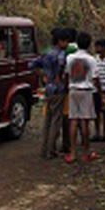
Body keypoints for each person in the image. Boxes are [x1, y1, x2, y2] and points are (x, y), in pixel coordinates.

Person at [29, 27, 70, 160]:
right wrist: (58, 78)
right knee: (56, 121)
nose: (67, 44)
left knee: (47, 119)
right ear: (60, 41)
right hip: (58, 89)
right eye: (66, 41)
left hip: (48, 89)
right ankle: (51, 150)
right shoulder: (61, 55)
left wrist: (43, 75)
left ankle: (44, 149)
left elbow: (32, 65)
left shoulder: (46, 53)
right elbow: (61, 70)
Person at [65, 31, 103, 163]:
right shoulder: (91, 60)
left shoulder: (69, 58)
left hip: (73, 89)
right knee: (84, 122)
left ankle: (73, 153)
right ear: (89, 44)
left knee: (73, 121)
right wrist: (101, 94)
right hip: (86, 90)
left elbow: (66, 74)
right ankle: (85, 153)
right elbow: (95, 78)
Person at [60, 27, 78, 155]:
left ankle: (66, 143)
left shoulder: (67, 50)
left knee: (65, 115)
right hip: (78, 85)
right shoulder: (76, 49)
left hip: (66, 85)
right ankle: (72, 142)